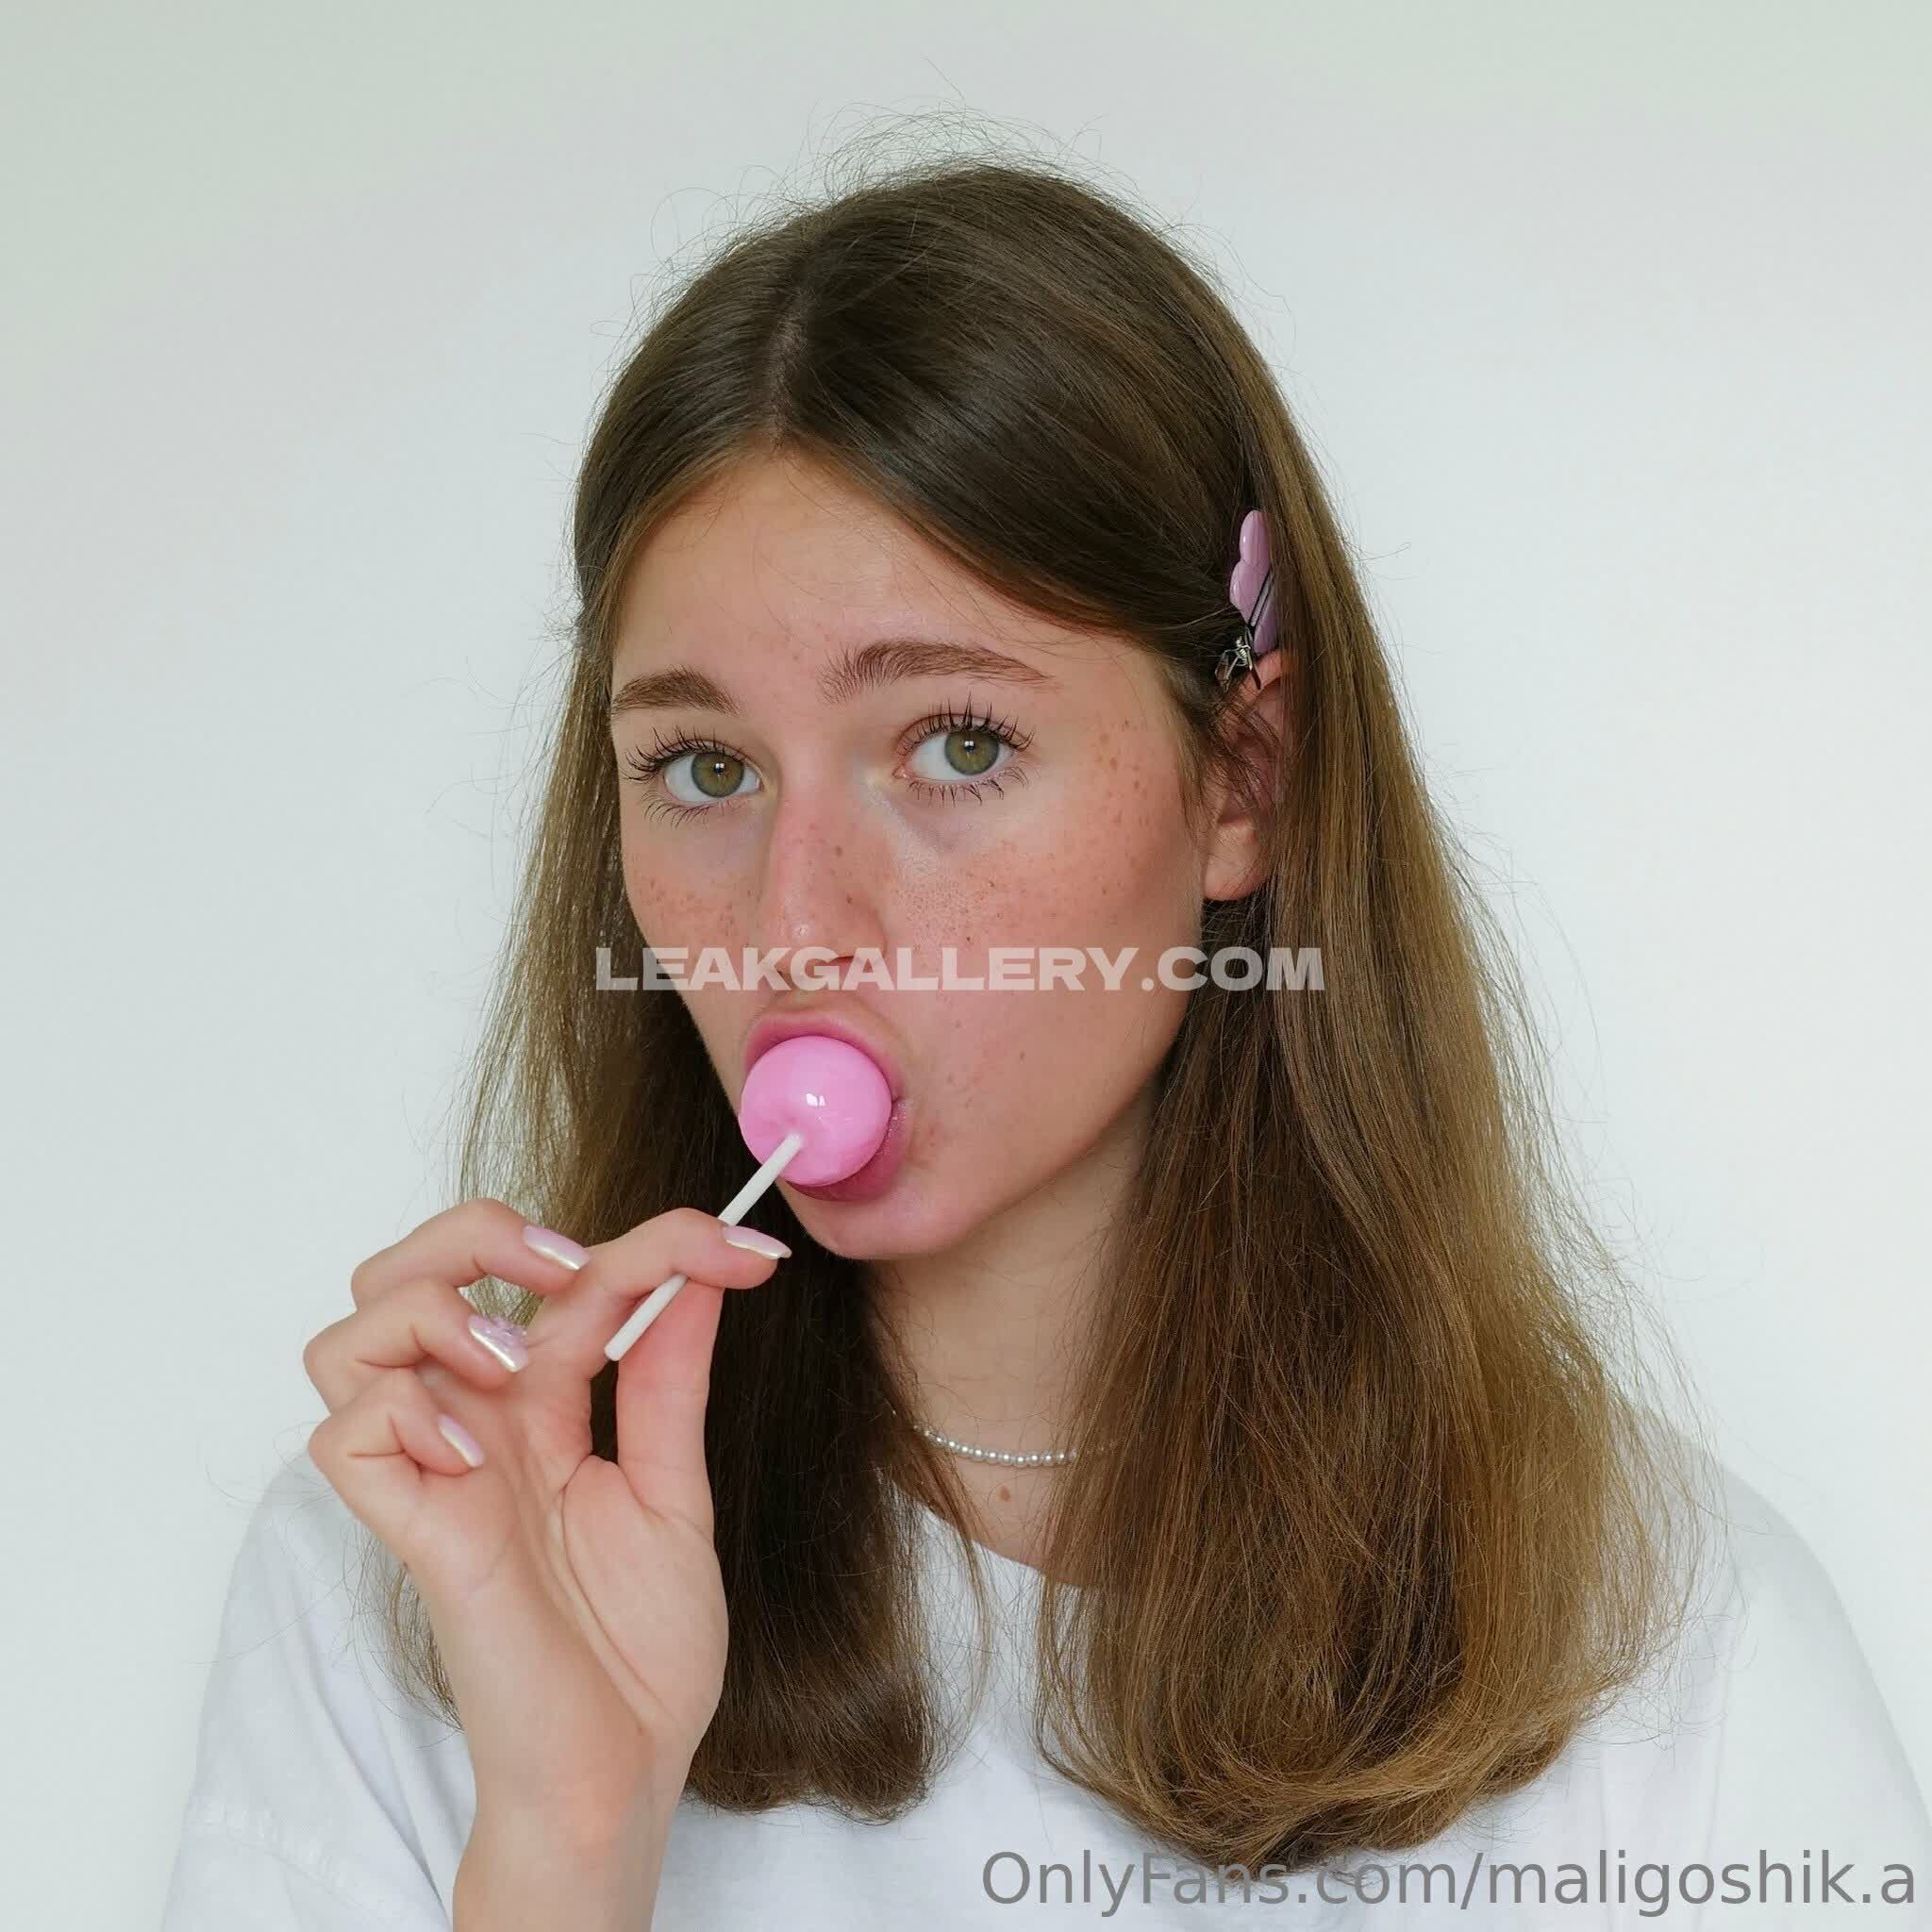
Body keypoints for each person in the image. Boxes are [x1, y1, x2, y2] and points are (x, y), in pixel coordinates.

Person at [161, 150, 1931, 1928]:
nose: (795, 920)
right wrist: (566, 1835)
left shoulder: (1668, 1651)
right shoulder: (418, 1578)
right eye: (704, 767)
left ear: (1242, 779)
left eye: (959, 745)